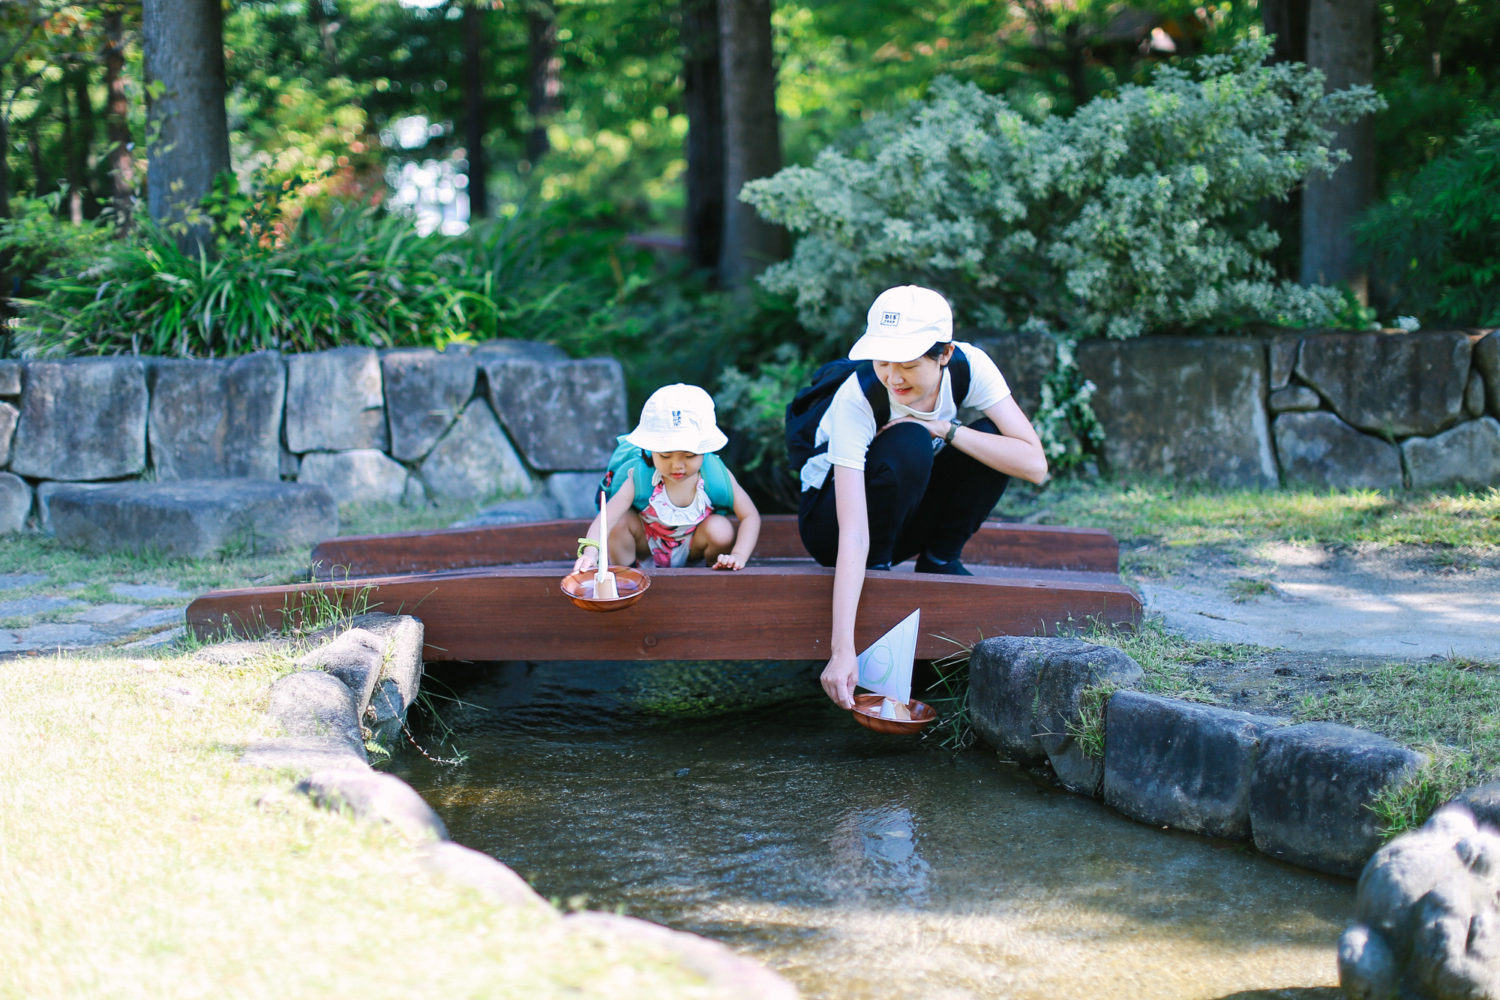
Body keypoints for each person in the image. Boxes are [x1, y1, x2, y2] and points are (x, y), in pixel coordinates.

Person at [797, 285, 1050, 709]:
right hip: (833, 526)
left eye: (909, 364)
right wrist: (842, 650)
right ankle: (881, 571)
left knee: (987, 439)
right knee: (909, 441)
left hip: (905, 514)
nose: (894, 377)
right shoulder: (858, 399)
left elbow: (1034, 465)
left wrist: (945, 429)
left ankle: (940, 558)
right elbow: (853, 534)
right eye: (882, 362)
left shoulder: (972, 368)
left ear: (945, 354)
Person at [572, 383, 761, 573]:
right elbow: (606, 518)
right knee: (620, 522)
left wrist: (738, 555)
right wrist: (590, 552)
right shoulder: (640, 476)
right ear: (650, 449)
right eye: (665, 456)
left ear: (705, 449)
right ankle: (626, 578)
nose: (677, 465)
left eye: (689, 456)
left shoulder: (715, 475)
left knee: (721, 529)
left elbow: (750, 515)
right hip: (645, 546)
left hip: (694, 546)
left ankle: (714, 572)